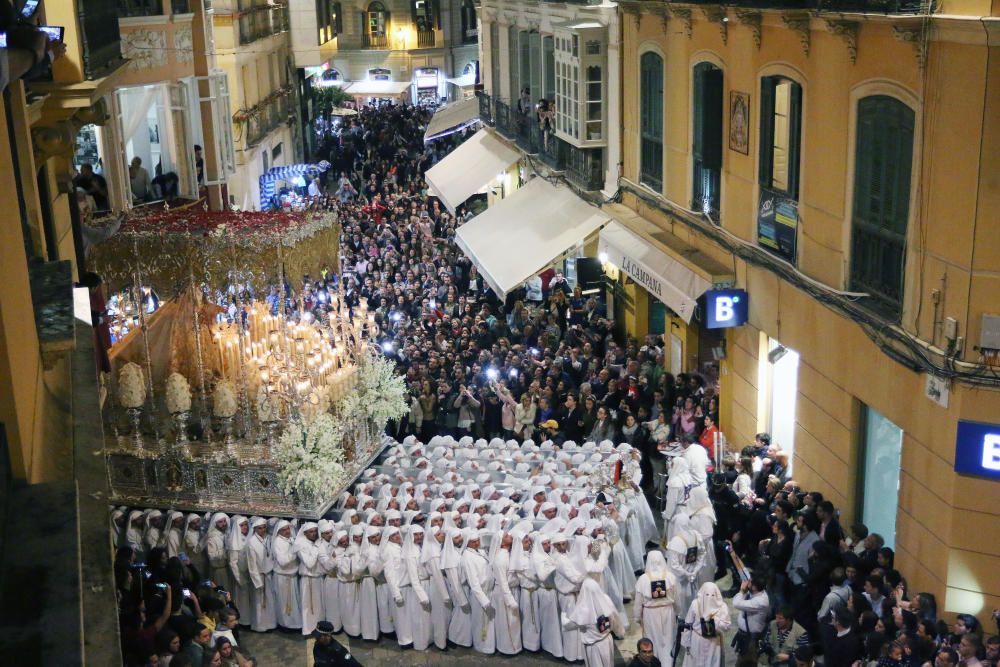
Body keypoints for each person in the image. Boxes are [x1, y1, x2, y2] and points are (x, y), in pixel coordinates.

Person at [562, 578, 625, 667]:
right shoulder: (606, 599)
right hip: (607, 640)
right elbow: (615, 618)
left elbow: (567, 626)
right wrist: (620, 632)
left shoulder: (582, 609)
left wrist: (563, 613)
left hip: (594, 647)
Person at [633, 550, 680, 663]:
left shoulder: (643, 579)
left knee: (653, 640)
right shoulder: (670, 577)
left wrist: (637, 617)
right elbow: (677, 598)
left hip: (650, 614)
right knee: (668, 639)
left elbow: (638, 602)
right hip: (668, 612)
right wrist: (678, 611)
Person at [461, 529, 496, 654]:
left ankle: (489, 645)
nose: (477, 543)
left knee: (489, 622)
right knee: (480, 621)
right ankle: (482, 646)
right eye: (473, 541)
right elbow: (474, 583)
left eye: (477, 541)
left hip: (489, 591)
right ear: (467, 542)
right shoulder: (467, 557)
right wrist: (484, 601)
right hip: (480, 595)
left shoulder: (480, 551)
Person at [681, 582, 731, 667]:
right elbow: (688, 624)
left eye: (713, 595)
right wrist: (687, 642)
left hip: (714, 642)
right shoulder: (695, 604)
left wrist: (715, 620)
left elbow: (727, 626)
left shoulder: (722, 607)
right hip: (697, 641)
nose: (709, 598)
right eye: (707, 594)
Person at [243, 517, 276, 632]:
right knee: (259, 603)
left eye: (264, 527)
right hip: (259, 576)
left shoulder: (269, 538)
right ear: (255, 529)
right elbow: (251, 566)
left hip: (268, 575)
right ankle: (260, 626)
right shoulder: (251, 543)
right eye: (260, 528)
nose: (262, 530)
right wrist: (257, 581)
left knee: (270, 601)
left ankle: (270, 624)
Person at [271, 519, 302, 630]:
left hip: (291, 576)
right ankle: (286, 625)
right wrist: (293, 552)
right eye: (283, 530)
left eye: (287, 528)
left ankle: (295, 623)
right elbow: (283, 562)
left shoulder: (290, 539)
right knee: (285, 603)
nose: (287, 531)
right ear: (278, 532)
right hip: (283, 577)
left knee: (294, 602)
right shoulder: (278, 542)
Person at [731, 574, 770, 661]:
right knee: (741, 662)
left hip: (751, 638)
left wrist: (741, 590)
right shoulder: (756, 592)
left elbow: (736, 603)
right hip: (745, 635)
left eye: (750, 582)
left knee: (748, 662)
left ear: (755, 587)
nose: (747, 583)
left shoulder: (761, 601)